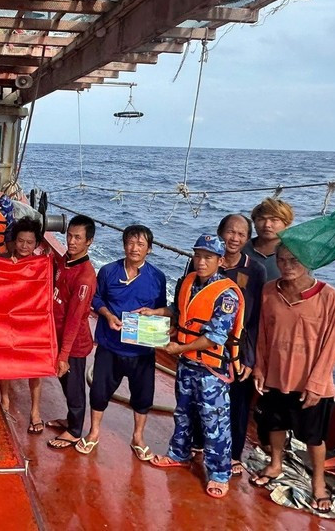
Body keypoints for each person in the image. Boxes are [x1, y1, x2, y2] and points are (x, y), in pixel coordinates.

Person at [145, 234, 245, 499]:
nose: (201, 262)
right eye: (198, 256)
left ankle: (219, 474)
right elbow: (181, 313)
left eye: (208, 258)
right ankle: (179, 453)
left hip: (211, 370)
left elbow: (215, 337)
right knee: (183, 412)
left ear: (220, 261)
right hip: (186, 365)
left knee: (215, 422)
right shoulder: (188, 283)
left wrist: (179, 348)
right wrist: (155, 313)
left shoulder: (226, 295)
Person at [250, 243, 335, 514]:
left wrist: (316, 383)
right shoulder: (269, 291)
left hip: (311, 383)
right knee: (275, 425)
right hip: (275, 376)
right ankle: (276, 463)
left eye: (294, 260)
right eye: (281, 260)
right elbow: (262, 335)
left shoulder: (329, 296)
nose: (287, 265)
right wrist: (260, 368)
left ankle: (318, 482)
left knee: (314, 437)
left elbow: (333, 343)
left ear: (308, 261)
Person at [77, 225, 167, 458]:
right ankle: (94, 432)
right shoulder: (107, 271)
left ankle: (138, 436)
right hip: (110, 344)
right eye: (130, 243)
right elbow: (96, 299)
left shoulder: (157, 277)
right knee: (99, 391)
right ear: (124, 244)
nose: (134, 248)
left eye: (140, 244)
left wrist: (154, 312)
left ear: (149, 249)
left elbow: (164, 308)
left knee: (143, 396)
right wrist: (107, 315)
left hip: (142, 350)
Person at [188, 214, 266, 474]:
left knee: (236, 404)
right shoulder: (200, 263)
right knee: (199, 398)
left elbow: (255, 319)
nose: (234, 238)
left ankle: (232, 455)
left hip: (235, 349)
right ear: (220, 233)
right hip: (202, 345)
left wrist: (250, 358)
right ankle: (197, 443)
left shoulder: (255, 270)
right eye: (230, 232)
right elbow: (187, 299)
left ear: (247, 239)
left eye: (241, 234)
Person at [46, 215, 97, 450]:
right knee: (66, 384)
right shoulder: (65, 260)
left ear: (89, 242)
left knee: (74, 385)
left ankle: (75, 431)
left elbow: (75, 319)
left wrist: (64, 355)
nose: (72, 242)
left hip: (74, 343)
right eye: (69, 236)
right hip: (58, 335)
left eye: (78, 238)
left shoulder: (85, 277)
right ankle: (70, 420)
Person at [0, 217, 45, 433]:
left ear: (37, 244)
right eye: (20, 241)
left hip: (31, 322)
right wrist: (8, 270)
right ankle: (5, 400)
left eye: (29, 242)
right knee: (5, 361)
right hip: (6, 320)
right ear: (14, 241)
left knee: (35, 365)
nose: (24, 246)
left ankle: (35, 411)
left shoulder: (42, 266)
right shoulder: (1, 260)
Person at [242, 198, 294, 280]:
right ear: (254, 223)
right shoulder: (241, 249)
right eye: (261, 219)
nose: (267, 225)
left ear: (286, 224)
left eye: (274, 220)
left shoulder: (296, 253)